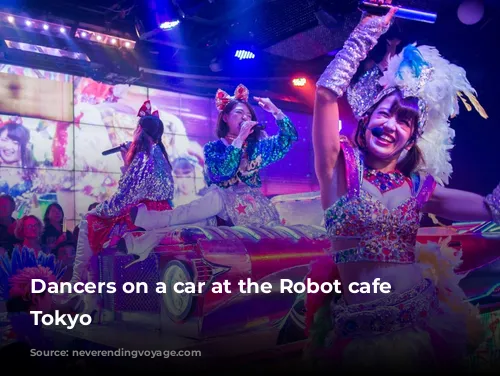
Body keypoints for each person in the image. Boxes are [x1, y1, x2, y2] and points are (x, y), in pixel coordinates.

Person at [305, 2, 499, 372]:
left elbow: (490, 208)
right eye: (385, 113)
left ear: (410, 140)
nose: (392, 125)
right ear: (365, 122)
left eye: (405, 121)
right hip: (362, 341)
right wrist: (367, 31)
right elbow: (327, 95)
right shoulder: (338, 170)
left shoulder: (418, 188)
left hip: (427, 325)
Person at [119, 84, 298, 261]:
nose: (245, 117)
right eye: (239, 113)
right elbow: (222, 173)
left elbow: (289, 138)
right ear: (226, 117)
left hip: (249, 207)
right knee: (192, 223)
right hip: (222, 202)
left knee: (192, 217)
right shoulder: (214, 148)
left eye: (248, 115)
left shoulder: (257, 147)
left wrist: (276, 111)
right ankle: (141, 241)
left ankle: (149, 225)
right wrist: (239, 139)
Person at [69, 100, 175, 312]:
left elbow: (122, 200)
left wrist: (98, 210)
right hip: (158, 216)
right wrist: (127, 160)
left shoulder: (144, 157)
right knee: (96, 236)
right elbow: (136, 190)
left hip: (145, 219)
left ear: (139, 131)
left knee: (90, 221)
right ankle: (87, 297)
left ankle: (76, 285)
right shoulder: (159, 156)